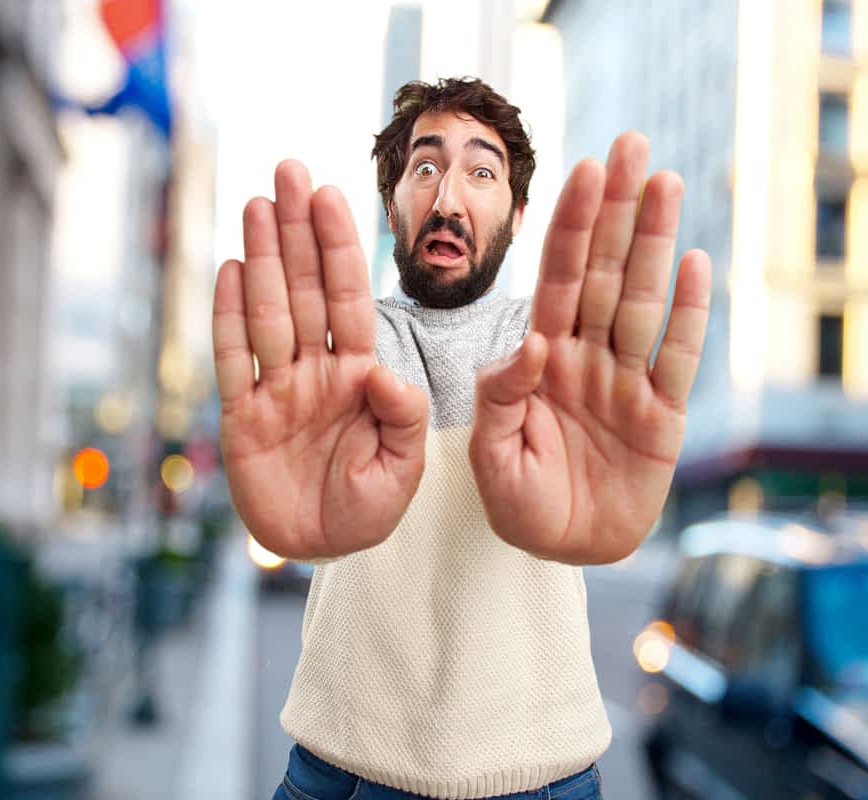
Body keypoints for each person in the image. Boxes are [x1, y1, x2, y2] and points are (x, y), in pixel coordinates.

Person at [212, 77, 711, 799]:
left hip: (542, 781)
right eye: (424, 168)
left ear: (517, 212)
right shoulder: (333, 355)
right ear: (392, 205)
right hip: (335, 774)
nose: (447, 199)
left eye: (482, 172)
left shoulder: (556, 353)